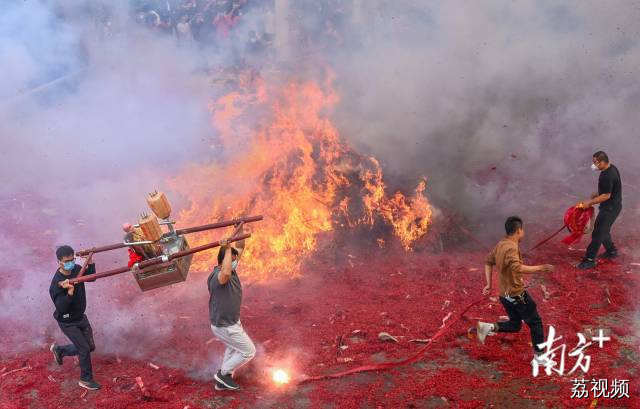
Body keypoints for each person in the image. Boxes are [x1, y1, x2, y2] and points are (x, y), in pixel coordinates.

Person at [477, 216, 554, 365]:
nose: (523, 232)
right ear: (518, 231)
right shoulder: (511, 247)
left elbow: (488, 262)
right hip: (516, 294)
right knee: (536, 322)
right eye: (522, 230)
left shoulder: (501, 244)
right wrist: (540, 267)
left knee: (515, 324)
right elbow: (517, 267)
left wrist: (489, 284)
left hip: (504, 295)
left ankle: (488, 327)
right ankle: (539, 358)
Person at [207, 225, 256, 391]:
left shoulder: (231, 269)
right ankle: (223, 373)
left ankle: (222, 382)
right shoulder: (218, 276)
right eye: (232, 258)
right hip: (225, 326)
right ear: (224, 260)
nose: (236, 261)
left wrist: (239, 231)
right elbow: (225, 274)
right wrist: (227, 248)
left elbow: (240, 247)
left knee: (233, 348)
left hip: (231, 322)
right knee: (248, 351)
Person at [48, 245, 101, 390]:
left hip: (80, 316)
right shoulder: (56, 284)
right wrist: (69, 292)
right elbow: (61, 307)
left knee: (89, 347)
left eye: (72, 259)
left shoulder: (77, 269)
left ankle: (60, 350)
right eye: (67, 261)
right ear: (59, 262)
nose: (70, 263)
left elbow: (91, 277)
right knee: (83, 348)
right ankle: (86, 379)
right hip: (67, 321)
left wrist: (90, 262)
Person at [575, 151, 622, 269]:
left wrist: (589, 203)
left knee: (598, 233)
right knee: (604, 230)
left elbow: (606, 195)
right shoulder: (611, 168)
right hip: (613, 205)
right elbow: (610, 188)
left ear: (602, 162)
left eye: (595, 162)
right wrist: (597, 194)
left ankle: (589, 260)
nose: (594, 165)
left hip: (610, 208)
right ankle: (612, 251)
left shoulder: (607, 175)